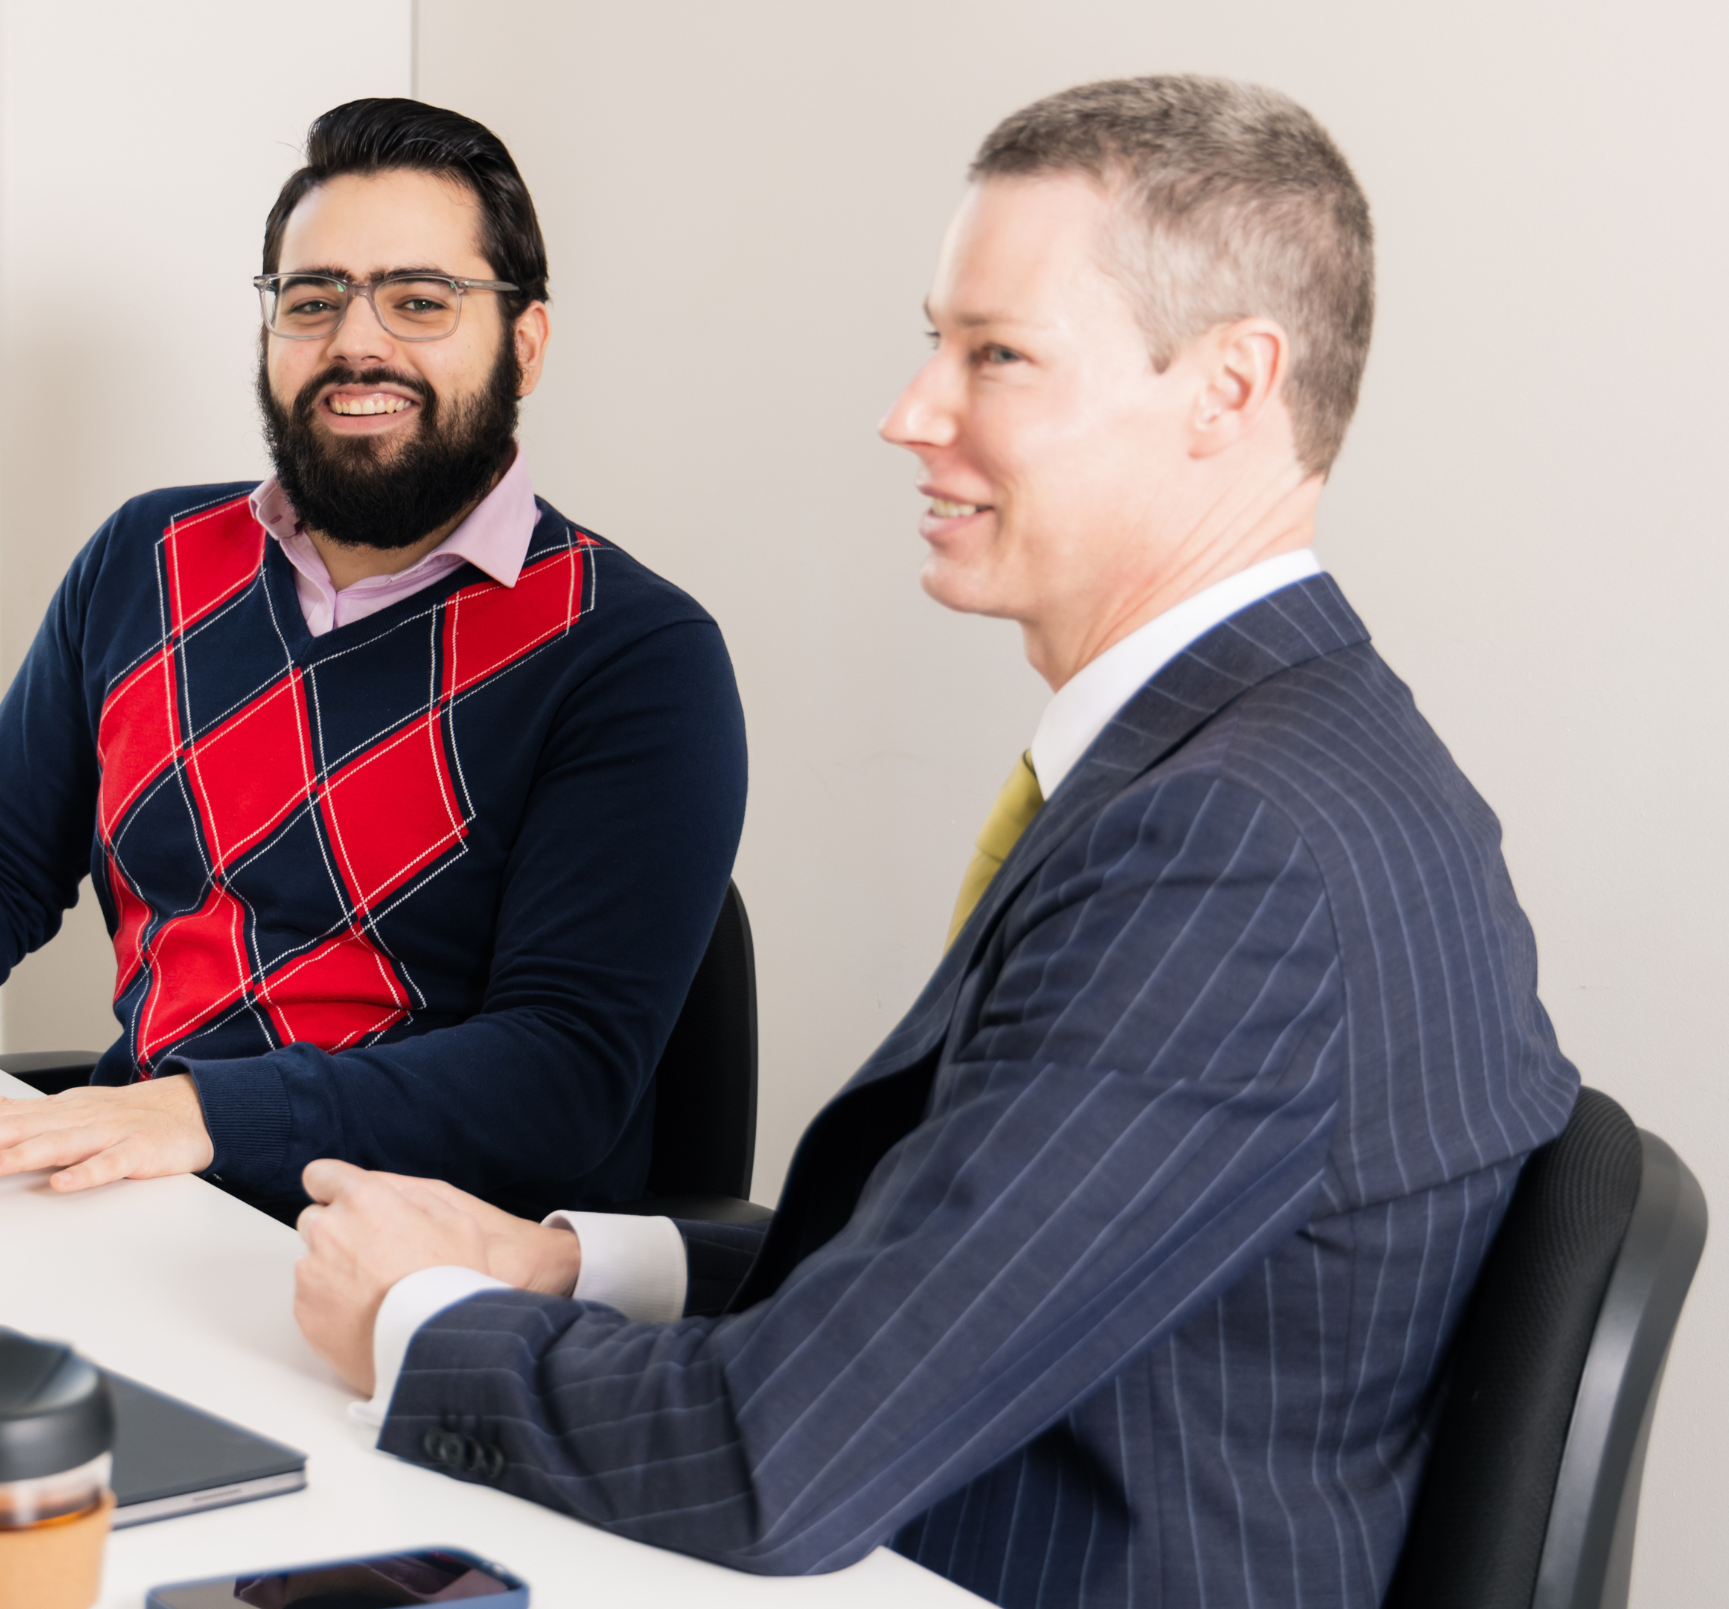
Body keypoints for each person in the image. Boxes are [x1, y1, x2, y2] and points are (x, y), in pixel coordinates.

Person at [285, 77, 1579, 1608]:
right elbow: (962, 1268)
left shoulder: (1231, 858)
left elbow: (778, 1461)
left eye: (997, 357)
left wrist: (419, 1324)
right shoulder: (1268, 761)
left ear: (1226, 389)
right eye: (933, 342)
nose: (911, 412)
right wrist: (575, 1267)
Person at [0, 98, 749, 1222]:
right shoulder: (145, 558)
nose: (358, 341)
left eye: (419, 301)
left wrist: (197, 1113)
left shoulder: (634, 654)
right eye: (313, 300)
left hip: (415, 1257)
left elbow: (562, 1073)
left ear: (526, 343)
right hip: (137, 1200)